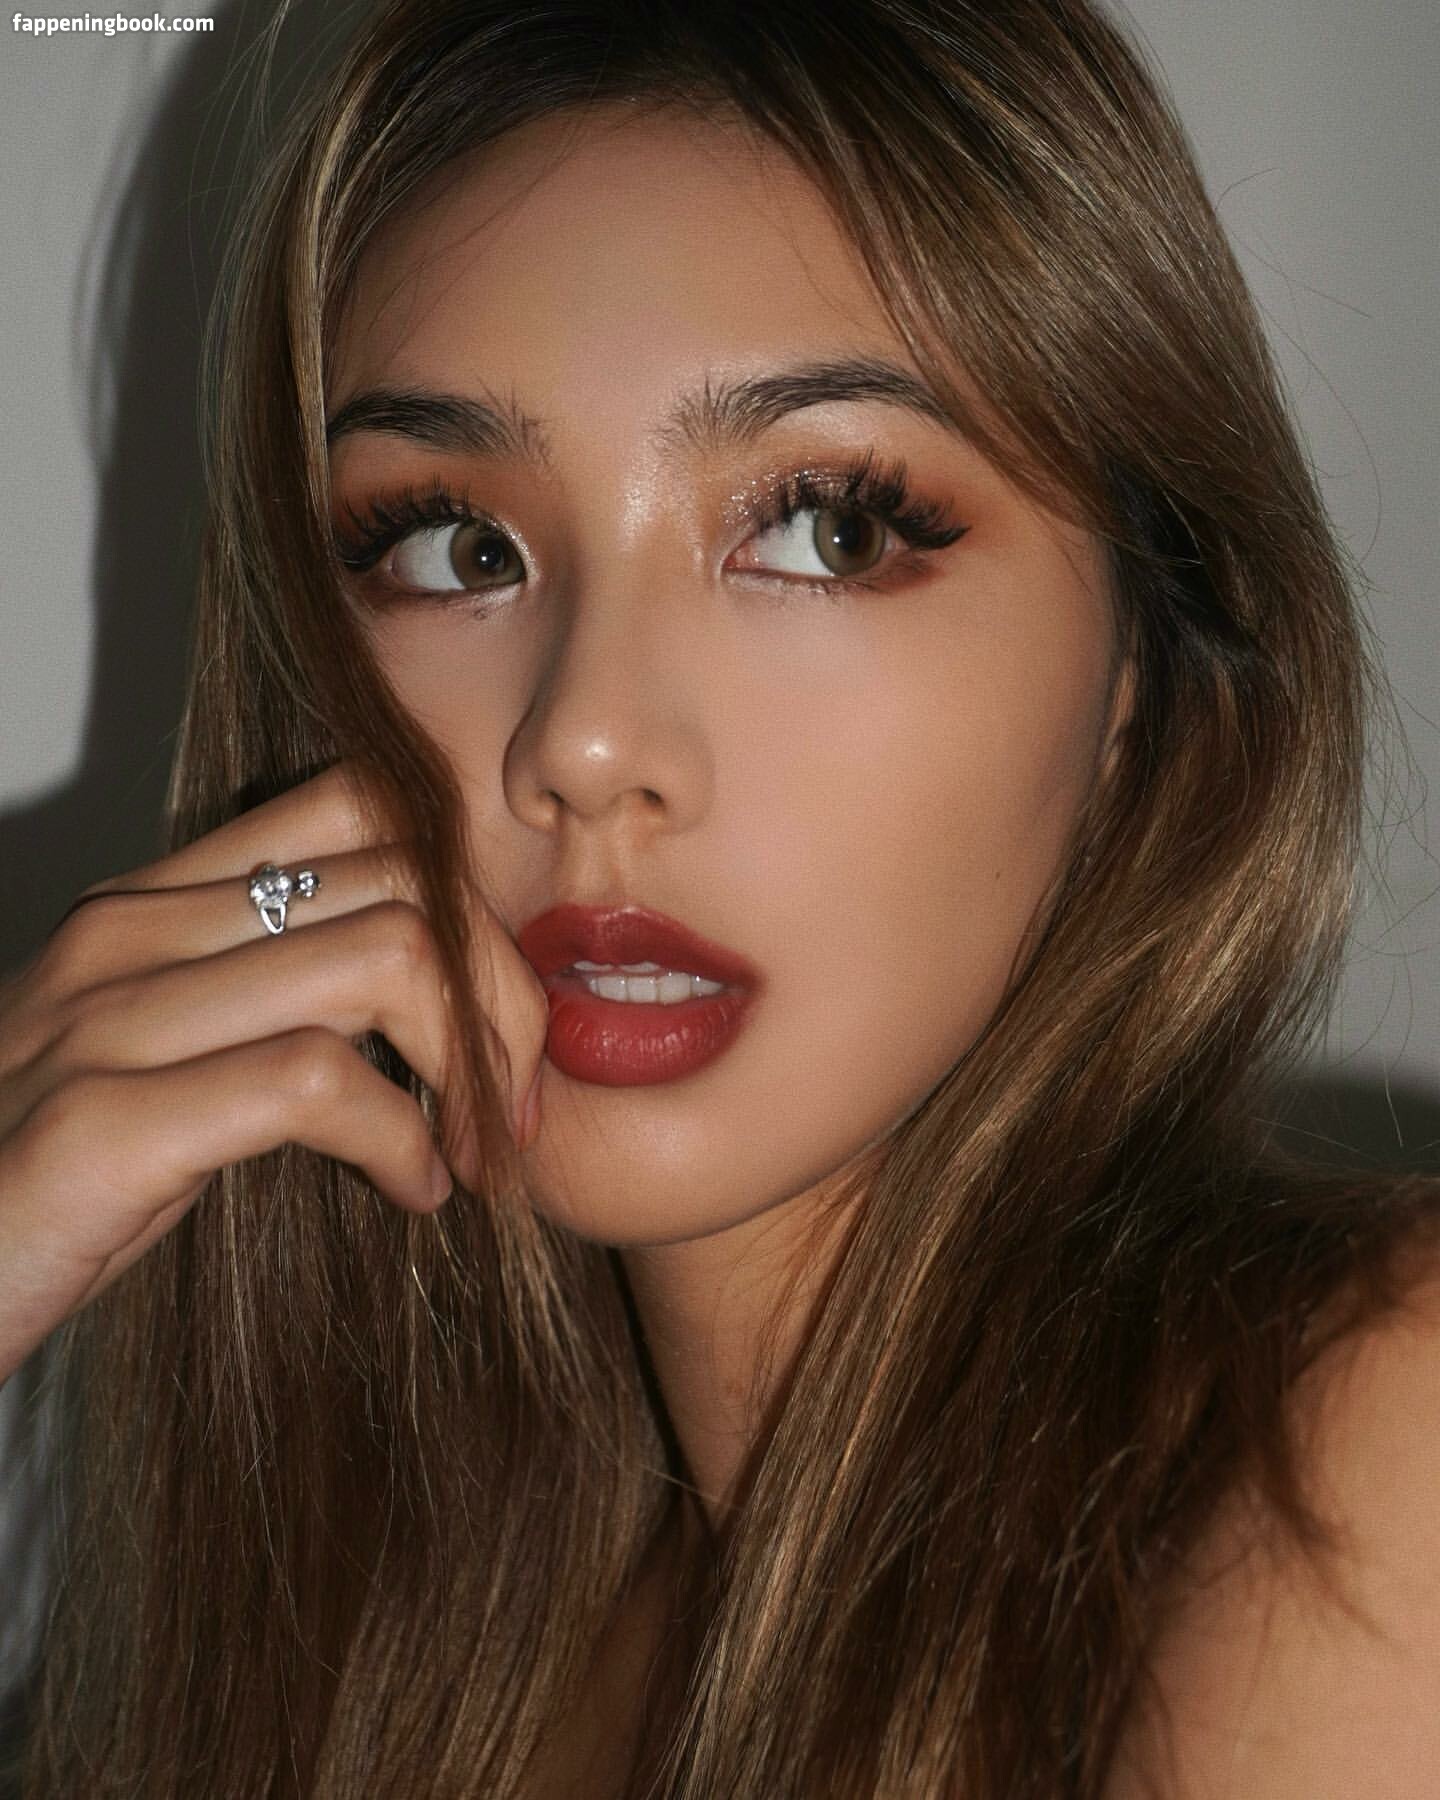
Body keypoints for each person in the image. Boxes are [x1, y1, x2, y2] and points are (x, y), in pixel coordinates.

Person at [2, 0, 1436, 1792]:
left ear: (1141, 665)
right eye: (459, 547)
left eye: (831, 529)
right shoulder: (373, 1659)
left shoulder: (1369, 1442)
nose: (584, 743)